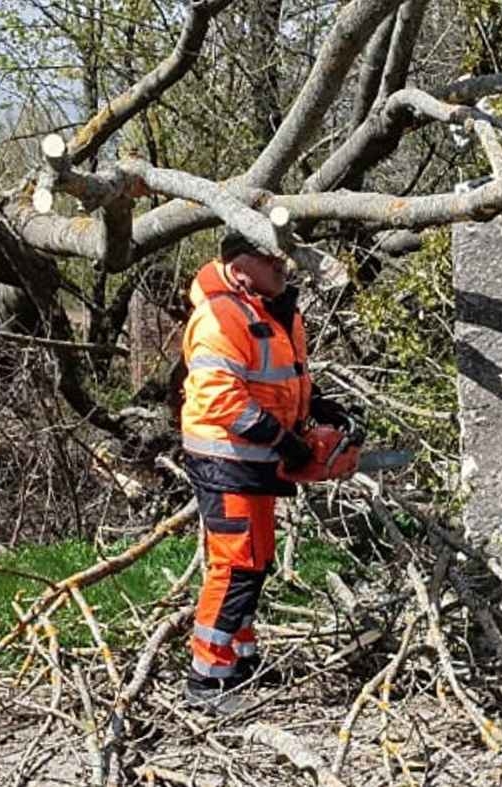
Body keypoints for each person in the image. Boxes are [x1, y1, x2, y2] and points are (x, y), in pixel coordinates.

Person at [178, 231, 352, 711]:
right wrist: (286, 443)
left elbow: (278, 381)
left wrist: (318, 406)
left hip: (253, 460)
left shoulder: (276, 313)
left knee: (253, 560)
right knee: (236, 564)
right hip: (227, 458)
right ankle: (206, 680)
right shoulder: (219, 316)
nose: (282, 264)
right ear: (239, 268)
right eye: (268, 257)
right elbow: (221, 399)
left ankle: (240, 661)